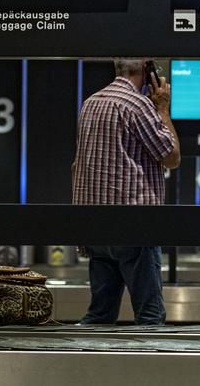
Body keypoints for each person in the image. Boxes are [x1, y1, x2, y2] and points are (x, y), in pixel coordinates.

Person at [71, 58, 181, 325]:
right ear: (147, 70)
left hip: (94, 227)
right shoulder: (137, 104)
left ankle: (83, 364)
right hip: (134, 228)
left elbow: (77, 165)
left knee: (100, 313)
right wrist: (163, 108)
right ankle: (151, 367)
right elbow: (171, 156)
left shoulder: (90, 103)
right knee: (150, 315)